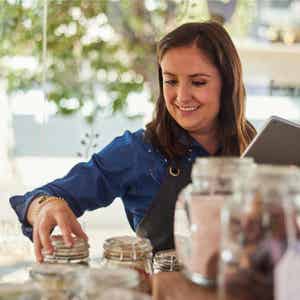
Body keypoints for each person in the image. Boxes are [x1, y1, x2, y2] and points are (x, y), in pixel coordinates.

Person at [10, 21, 256, 262]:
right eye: (171, 81)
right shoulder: (138, 150)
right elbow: (39, 197)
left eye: (198, 82)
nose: (181, 96)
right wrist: (44, 206)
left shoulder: (253, 143)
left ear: (228, 84)